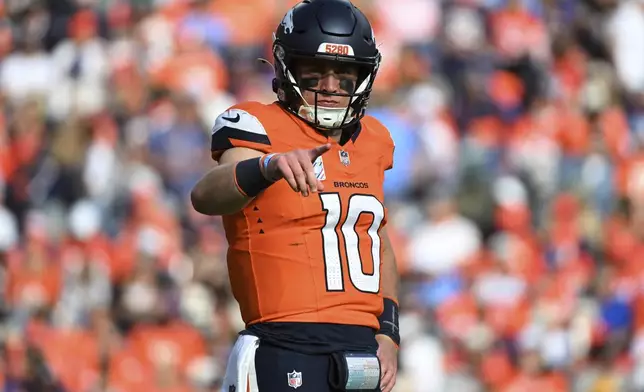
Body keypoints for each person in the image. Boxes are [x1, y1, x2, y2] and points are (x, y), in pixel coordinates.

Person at [191, 1, 400, 391]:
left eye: (344, 74)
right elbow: (206, 195)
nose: (331, 87)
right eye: (315, 73)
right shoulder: (256, 124)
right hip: (284, 342)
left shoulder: (375, 140)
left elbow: (377, 240)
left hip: (360, 349)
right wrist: (267, 167)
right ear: (289, 70)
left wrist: (388, 334)